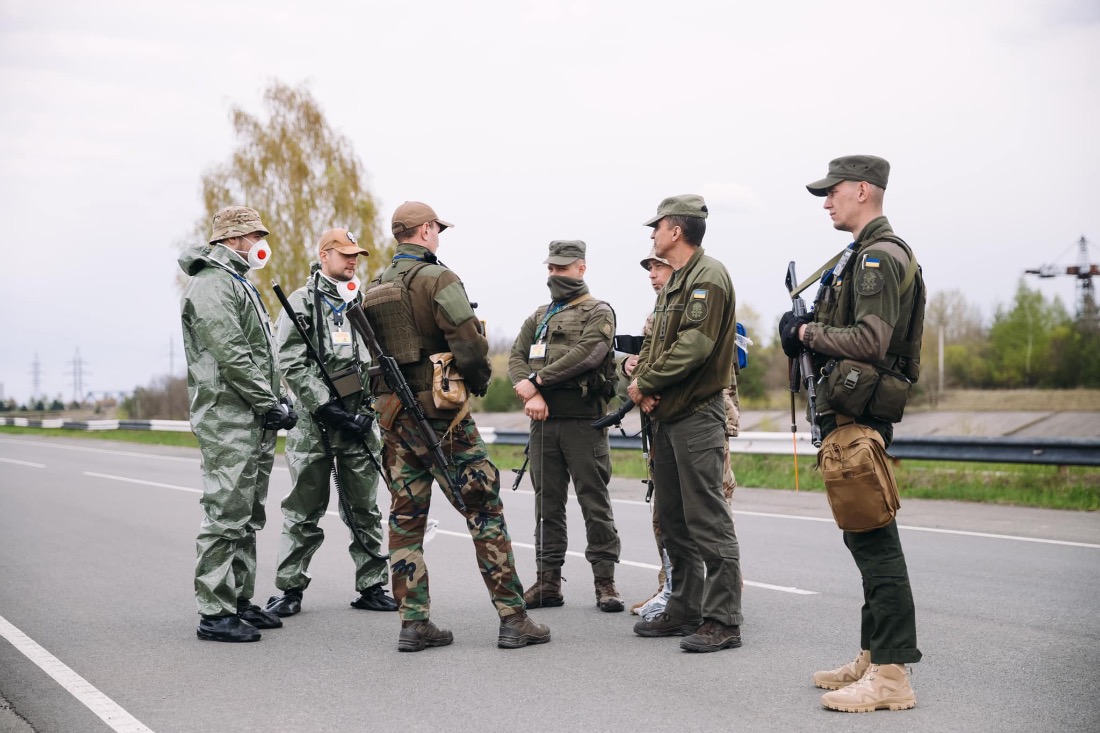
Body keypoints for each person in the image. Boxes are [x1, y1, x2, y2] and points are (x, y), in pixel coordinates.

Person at [361, 201, 550, 651]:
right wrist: (480, 381)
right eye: (436, 229)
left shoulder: (374, 287)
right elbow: (467, 343)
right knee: (483, 508)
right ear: (425, 230)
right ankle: (513, 618)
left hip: (395, 419)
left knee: (406, 521)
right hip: (443, 420)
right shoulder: (439, 279)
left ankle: (413, 623)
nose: (438, 236)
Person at [779, 155, 924, 712]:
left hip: (861, 414)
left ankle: (891, 676)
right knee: (862, 536)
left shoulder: (878, 259)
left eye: (833, 191)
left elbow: (869, 341)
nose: (826, 201)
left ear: (864, 190)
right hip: (848, 412)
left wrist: (806, 331)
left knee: (876, 542)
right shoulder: (858, 255)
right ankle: (873, 653)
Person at [627, 195, 744, 653]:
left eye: (656, 227)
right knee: (674, 520)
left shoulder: (707, 277)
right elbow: (660, 346)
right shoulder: (677, 283)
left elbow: (694, 347)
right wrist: (645, 385)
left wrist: (646, 383)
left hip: (697, 415)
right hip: (670, 416)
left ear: (675, 230)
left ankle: (723, 619)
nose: (653, 234)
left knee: (707, 520)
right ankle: (684, 608)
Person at [265, 228, 397, 618]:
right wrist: (325, 407)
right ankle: (289, 588)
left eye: (356, 255)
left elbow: (380, 362)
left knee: (365, 509)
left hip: (359, 423)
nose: (352, 261)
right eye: (345, 255)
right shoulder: (301, 303)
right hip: (314, 426)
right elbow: (291, 360)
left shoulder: (362, 301)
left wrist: (369, 411)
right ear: (325, 256)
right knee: (304, 512)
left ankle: (372, 585)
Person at [179, 206, 296, 643]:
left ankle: (239, 600)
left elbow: (261, 354)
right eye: (255, 235)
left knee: (247, 515)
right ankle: (214, 611)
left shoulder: (239, 282)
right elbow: (232, 354)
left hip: (252, 416)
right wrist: (270, 403)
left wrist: (279, 400)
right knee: (226, 513)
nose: (261, 243)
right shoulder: (211, 284)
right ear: (233, 239)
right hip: (228, 417)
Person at [508, 240, 623, 613]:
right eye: (552, 268)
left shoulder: (598, 311)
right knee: (547, 505)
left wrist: (538, 382)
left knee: (595, 502)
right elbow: (516, 358)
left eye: (563, 268)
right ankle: (547, 582)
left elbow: (589, 354)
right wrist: (532, 396)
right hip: (543, 424)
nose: (555, 275)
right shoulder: (538, 316)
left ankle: (605, 583)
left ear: (581, 268)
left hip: (583, 423)